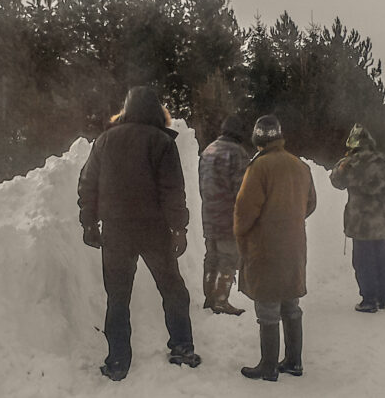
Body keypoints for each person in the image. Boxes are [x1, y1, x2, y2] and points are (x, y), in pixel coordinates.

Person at [77, 86, 200, 382]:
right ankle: (181, 347)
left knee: (117, 297)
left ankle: (118, 361)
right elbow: (172, 190)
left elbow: (87, 184)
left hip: (117, 231)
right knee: (172, 289)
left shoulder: (105, 141)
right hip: (154, 230)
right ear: (156, 111)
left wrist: (89, 223)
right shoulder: (161, 142)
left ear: (127, 109)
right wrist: (179, 228)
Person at [234, 115, 317, 381]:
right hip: (294, 246)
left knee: (268, 308)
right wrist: (290, 219)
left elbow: (244, 211)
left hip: (266, 248)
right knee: (291, 305)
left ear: (258, 138)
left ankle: (268, 366)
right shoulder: (300, 165)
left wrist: (241, 236)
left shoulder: (259, 167)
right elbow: (311, 204)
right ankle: (294, 361)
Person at [329, 123, 385, 313]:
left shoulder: (351, 162)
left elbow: (336, 181)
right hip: (383, 222)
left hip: (361, 224)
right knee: (384, 260)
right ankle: (383, 299)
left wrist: (343, 162)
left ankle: (369, 300)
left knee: (364, 262)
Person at [198, 114, 249, 315]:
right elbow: (242, 189)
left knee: (211, 257)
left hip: (209, 214)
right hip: (228, 216)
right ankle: (220, 300)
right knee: (228, 259)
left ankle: (209, 297)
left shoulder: (208, 150)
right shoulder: (237, 153)